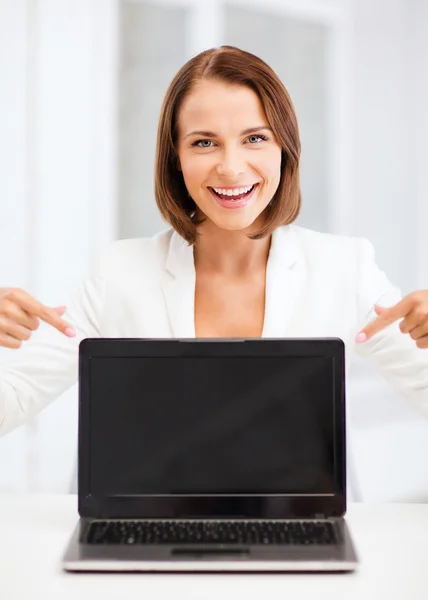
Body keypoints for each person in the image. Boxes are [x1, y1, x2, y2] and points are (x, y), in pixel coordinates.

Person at [0, 46, 427, 481]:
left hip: (300, 529)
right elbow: (11, 402)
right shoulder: (118, 274)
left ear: (285, 147)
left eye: (255, 138)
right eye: (204, 142)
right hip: (146, 532)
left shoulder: (345, 268)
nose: (230, 166)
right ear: (176, 158)